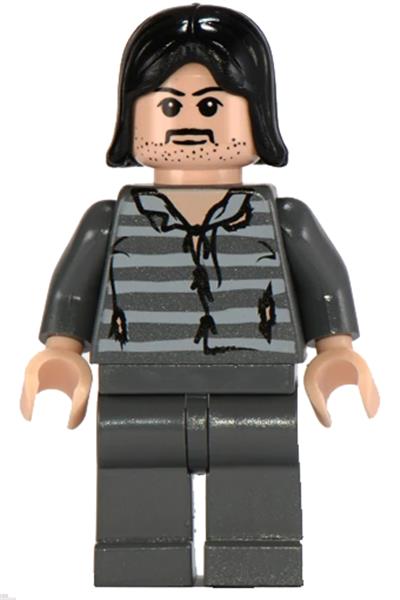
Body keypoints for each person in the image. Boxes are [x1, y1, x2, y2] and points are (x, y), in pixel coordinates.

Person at [20, 4, 379, 587]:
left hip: (256, 385)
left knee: (259, 472)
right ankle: (143, 561)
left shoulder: (284, 218)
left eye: (212, 105)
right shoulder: (108, 220)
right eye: (169, 105)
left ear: (257, 118)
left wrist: (336, 352)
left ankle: (255, 559)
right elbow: (73, 290)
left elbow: (325, 281)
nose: (190, 121)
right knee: (135, 476)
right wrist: (61, 353)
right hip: (136, 385)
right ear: (131, 120)